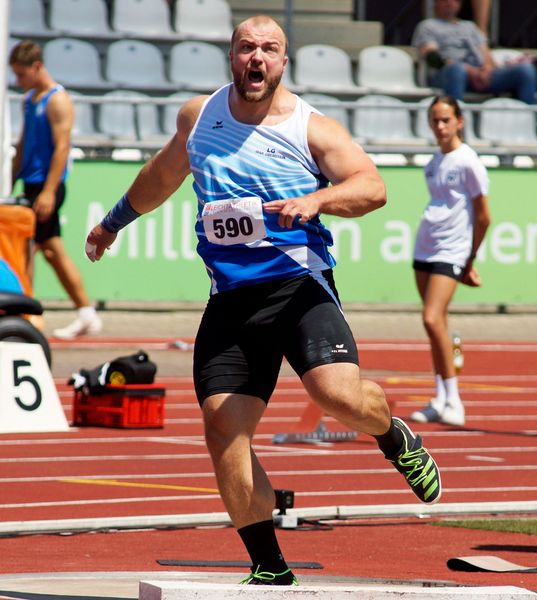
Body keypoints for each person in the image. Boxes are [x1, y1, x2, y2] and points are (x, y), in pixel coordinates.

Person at [85, 15, 442, 586]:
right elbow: (163, 173)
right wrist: (113, 223)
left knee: (338, 398)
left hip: (298, 289)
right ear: (231, 55)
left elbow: (372, 187)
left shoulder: (309, 127)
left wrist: (319, 199)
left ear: (283, 61)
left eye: (269, 49)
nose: (257, 58)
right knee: (223, 427)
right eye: (246, 47)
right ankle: (269, 566)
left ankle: (392, 434)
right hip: (230, 297)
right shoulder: (199, 117)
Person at [10, 40, 102, 339]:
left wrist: (49, 191)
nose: (18, 81)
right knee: (51, 251)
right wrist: (9, 181)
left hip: (49, 185)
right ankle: (86, 312)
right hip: (31, 182)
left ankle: (25, 314)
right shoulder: (29, 99)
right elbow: (23, 144)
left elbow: (62, 148)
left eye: (21, 74)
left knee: (28, 249)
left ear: (37, 67)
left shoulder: (57, 100)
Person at [410, 95, 491, 427]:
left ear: (460, 121)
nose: (440, 127)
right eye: (435, 120)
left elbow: (484, 216)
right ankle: (440, 398)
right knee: (435, 325)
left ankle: (455, 401)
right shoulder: (434, 161)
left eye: (446, 120)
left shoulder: (468, 161)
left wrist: (470, 258)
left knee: (432, 319)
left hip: (452, 250)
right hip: (425, 247)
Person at [412, 0, 537, 104]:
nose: (450, 2)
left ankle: (528, 121)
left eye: (455, 0)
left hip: (480, 74)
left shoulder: (470, 26)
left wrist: (487, 69)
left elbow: (485, 52)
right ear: (435, 2)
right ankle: (456, 125)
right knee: (457, 70)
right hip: (448, 74)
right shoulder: (427, 26)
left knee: (525, 70)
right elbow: (433, 58)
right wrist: (467, 70)